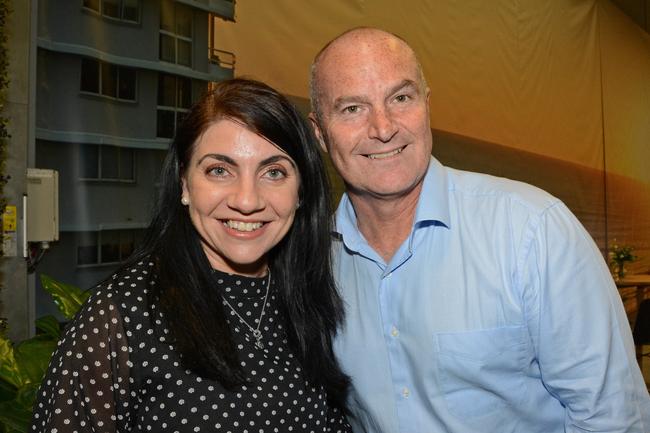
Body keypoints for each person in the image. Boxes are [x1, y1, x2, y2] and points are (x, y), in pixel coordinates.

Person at [308, 27, 650, 432]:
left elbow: (613, 416)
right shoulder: (314, 265)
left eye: (401, 98)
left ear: (426, 106)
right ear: (319, 134)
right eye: (352, 109)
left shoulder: (532, 231)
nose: (383, 127)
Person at [30, 78, 352, 432]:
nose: (247, 200)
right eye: (219, 170)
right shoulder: (122, 315)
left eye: (274, 172)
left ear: (300, 192)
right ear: (184, 184)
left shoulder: (308, 300)